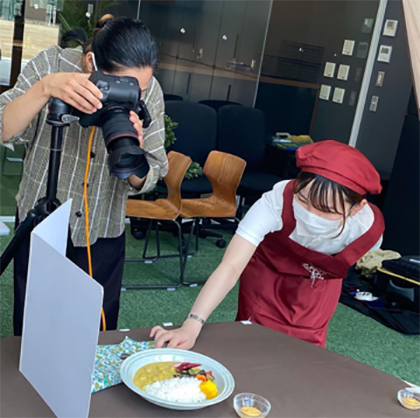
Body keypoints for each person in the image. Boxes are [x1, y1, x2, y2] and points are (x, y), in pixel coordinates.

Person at [0, 15, 168, 336]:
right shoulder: (52, 64)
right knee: (34, 331)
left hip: (101, 229)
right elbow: (4, 127)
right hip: (42, 222)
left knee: (94, 334)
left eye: (140, 89)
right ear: (92, 62)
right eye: (123, 86)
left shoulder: (150, 91)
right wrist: (46, 88)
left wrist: (134, 151)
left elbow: (148, 176)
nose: (135, 93)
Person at [151, 140, 385, 349]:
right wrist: (192, 324)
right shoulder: (276, 201)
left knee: (306, 350)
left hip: (317, 287)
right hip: (266, 275)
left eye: (327, 210)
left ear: (357, 208)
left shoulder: (367, 231)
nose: (311, 214)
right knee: (253, 339)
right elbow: (231, 266)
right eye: (303, 199)